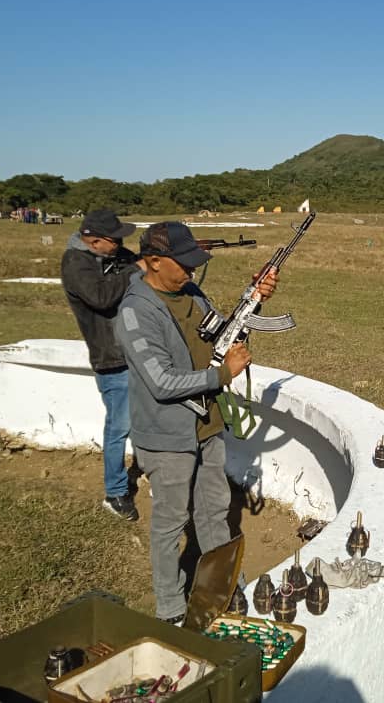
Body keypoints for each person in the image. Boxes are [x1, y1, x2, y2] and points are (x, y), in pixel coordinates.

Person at [113, 221, 278, 625]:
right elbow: (162, 380)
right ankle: (170, 608)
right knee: (171, 524)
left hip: (207, 425)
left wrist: (253, 300)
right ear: (152, 262)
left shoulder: (190, 292)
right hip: (166, 435)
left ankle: (223, 591)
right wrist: (221, 377)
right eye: (182, 263)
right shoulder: (134, 312)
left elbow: (222, 334)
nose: (191, 270)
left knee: (214, 513)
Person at [60, 208, 142, 521]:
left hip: (131, 351)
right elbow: (101, 297)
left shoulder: (109, 257)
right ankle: (115, 491)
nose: (120, 245)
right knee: (119, 427)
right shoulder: (75, 262)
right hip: (111, 358)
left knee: (141, 418)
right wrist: (137, 268)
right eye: (115, 240)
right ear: (93, 241)